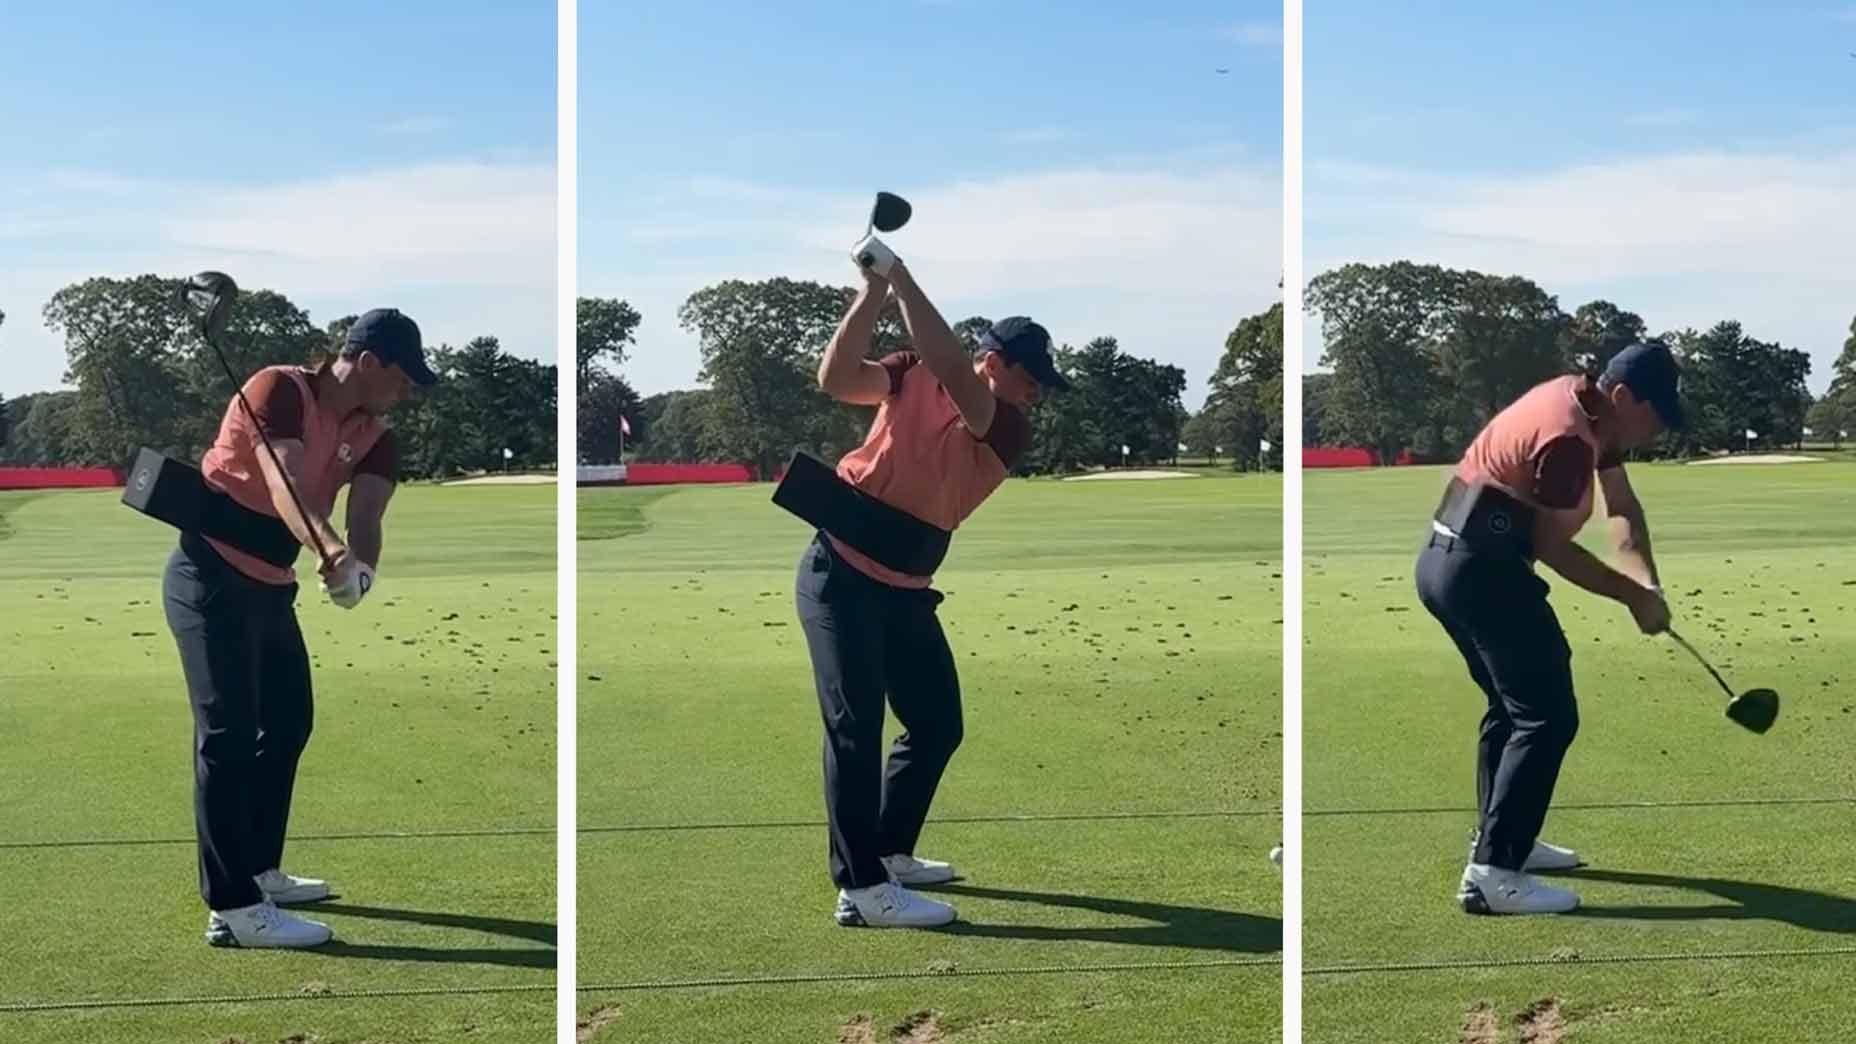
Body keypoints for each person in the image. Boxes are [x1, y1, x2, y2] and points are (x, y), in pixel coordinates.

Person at [796, 256, 1068, 929]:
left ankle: (888, 850)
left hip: (905, 587)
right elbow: (835, 378)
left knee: (938, 723)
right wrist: (874, 291)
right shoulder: (908, 371)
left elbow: (952, 371)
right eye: (1031, 375)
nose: (1037, 390)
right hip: (840, 571)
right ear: (996, 359)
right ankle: (862, 890)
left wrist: (904, 277)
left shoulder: (1005, 424)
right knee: (855, 726)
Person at [162, 308, 435, 948]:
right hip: (209, 577)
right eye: (404, 376)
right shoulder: (278, 388)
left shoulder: (376, 435)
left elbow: (369, 511)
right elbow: (284, 480)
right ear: (368, 362)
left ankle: (258, 869)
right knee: (227, 734)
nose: (409, 390)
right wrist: (330, 551)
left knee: (286, 724)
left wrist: (361, 569)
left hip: (270, 587)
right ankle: (232, 909)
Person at [1415, 342, 1682, 915]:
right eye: (1656, 413)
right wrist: (1632, 598)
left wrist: (1648, 584)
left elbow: (1623, 511)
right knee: (1548, 714)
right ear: (1622, 396)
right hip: (1478, 569)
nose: (1659, 429)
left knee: (1512, 708)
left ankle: (1504, 838)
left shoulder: (1586, 409)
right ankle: (1493, 874)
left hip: (1449, 562)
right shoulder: (1566, 439)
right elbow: (1552, 547)